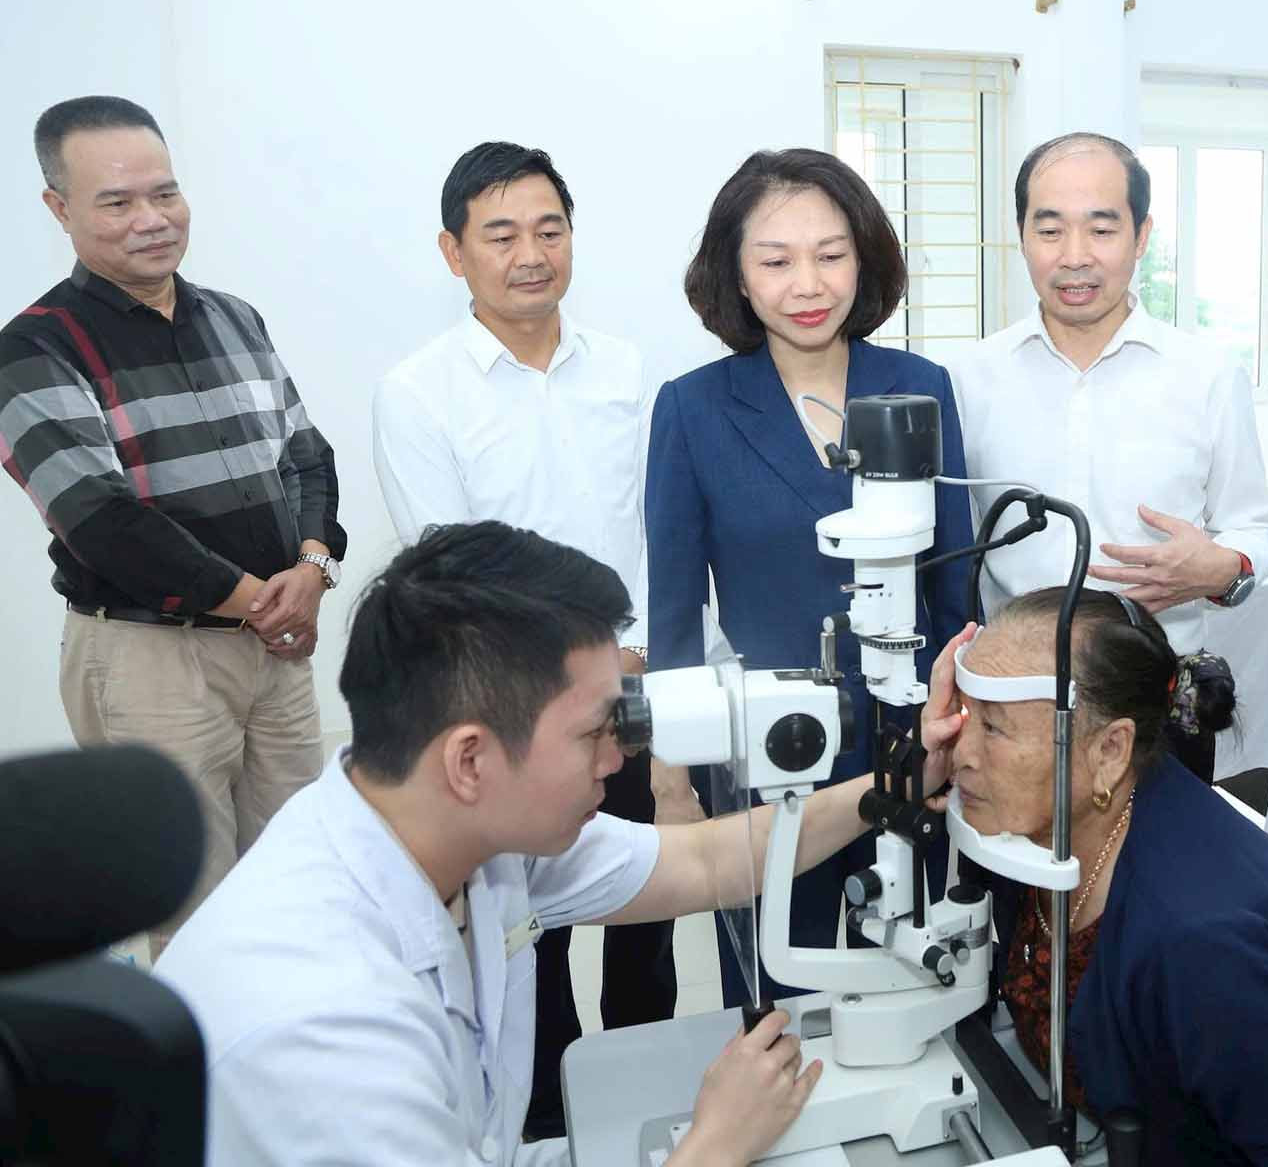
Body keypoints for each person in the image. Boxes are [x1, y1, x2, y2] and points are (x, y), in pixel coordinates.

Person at [155, 520, 947, 1166]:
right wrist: (714, 1146)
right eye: (596, 731)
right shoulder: (329, 1035)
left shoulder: (458, 832)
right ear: (471, 758)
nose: (621, 754)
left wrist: (899, 784)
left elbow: (705, 862)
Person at [372, 141, 688, 1139]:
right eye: (500, 233)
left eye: (549, 229)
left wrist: (629, 659)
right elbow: (450, 568)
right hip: (508, 709)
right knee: (527, 938)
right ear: (453, 251)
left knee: (647, 907)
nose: (530, 253)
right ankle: (549, 1132)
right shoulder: (419, 392)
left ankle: (655, 1112)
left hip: (632, 689)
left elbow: (658, 525)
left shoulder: (631, 372)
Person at [0, 96, 347, 956]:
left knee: (308, 890)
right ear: (60, 209)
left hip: (277, 648)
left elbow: (308, 456)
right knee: (199, 920)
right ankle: (219, 1095)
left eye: (165, 192)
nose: (151, 220)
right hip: (155, 661)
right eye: (117, 202)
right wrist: (258, 603)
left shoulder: (233, 315)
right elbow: (101, 522)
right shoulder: (34, 348)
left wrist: (312, 567)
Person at [924, 588, 1268, 1165]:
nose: (959, 752)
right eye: (964, 714)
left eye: (993, 728)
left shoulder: (1201, 939)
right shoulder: (1050, 828)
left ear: (1110, 751)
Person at [646, 147, 973, 1004]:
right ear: (737, 277)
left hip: (916, 744)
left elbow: (956, 587)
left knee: (915, 973)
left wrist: (967, 734)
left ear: (863, 258)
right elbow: (674, 609)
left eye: (830, 254)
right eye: (776, 260)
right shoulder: (694, 408)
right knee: (773, 994)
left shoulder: (920, 386)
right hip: (772, 753)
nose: (807, 283)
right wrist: (669, 776)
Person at [948, 131, 1268, 656]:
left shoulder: (1207, 374)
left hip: (1158, 689)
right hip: (1010, 688)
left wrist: (1223, 567)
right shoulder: (966, 377)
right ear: (1021, 235)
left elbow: (1254, 526)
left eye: (1102, 229)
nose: (1075, 256)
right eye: (1051, 230)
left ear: (1142, 235)